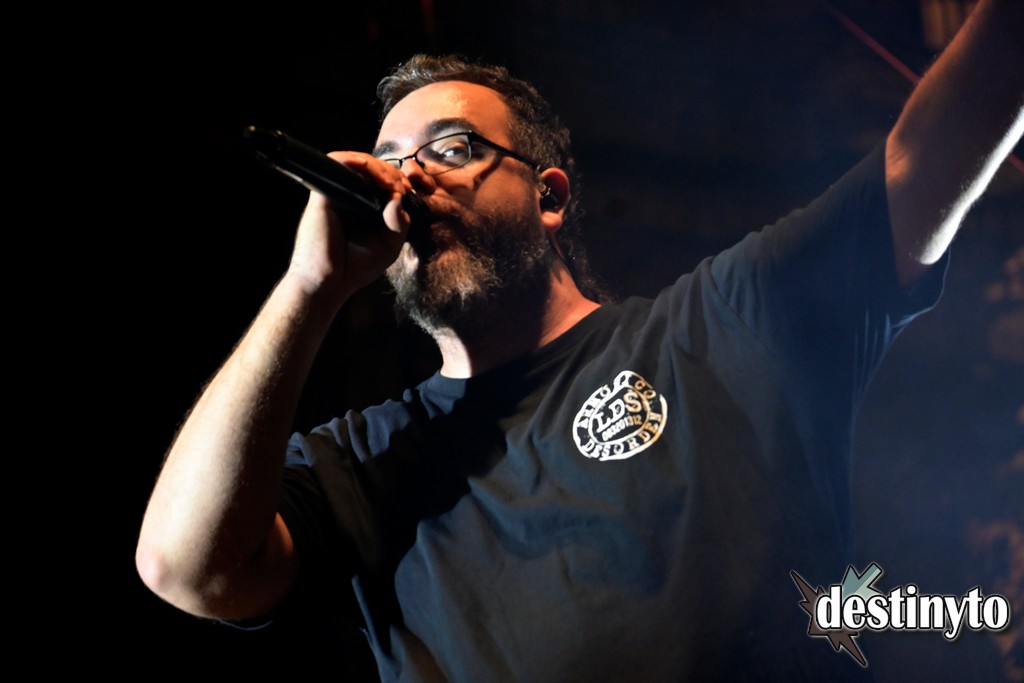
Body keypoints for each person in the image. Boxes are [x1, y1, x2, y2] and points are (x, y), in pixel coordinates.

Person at [137, 1, 1023, 680]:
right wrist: (309, 285)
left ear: (550, 196)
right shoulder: (370, 462)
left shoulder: (720, 325)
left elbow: (930, 151)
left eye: (451, 148)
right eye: (393, 163)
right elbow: (184, 566)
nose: (410, 182)